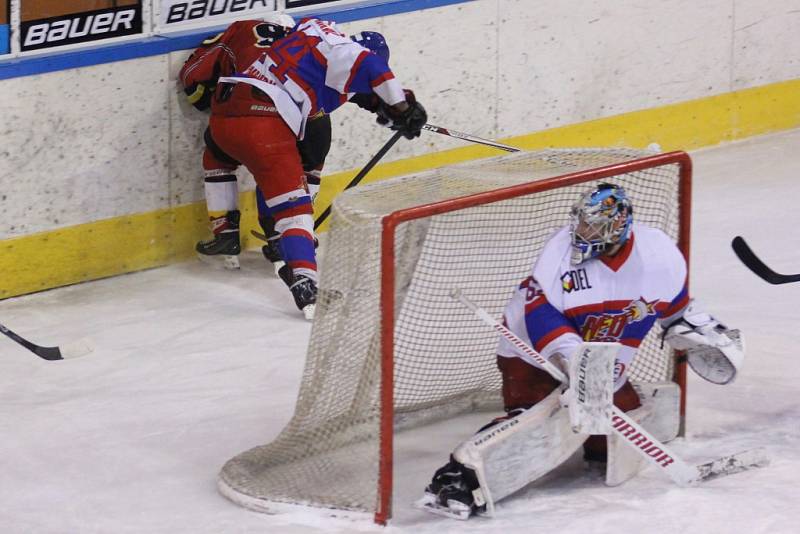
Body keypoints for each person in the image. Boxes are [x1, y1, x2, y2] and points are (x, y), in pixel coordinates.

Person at [420, 183, 745, 518]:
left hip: (601, 358)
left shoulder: (658, 253)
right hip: (533, 352)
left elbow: (674, 307)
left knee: (607, 444)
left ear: (618, 227)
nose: (581, 231)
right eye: (581, 222)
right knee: (536, 422)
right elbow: (540, 315)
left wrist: (699, 331)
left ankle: (582, 427)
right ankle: (457, 480)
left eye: (594, 226)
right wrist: (575, 358)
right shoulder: (559, 253)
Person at [179, 16, 427, 319]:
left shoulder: (314, 31)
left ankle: (226, 230)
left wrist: (389, 106)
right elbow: (373, 72)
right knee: (292, 205)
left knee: (221, 158)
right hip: (269, 119)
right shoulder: (349, 55)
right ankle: (304, 281)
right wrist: (403, 108)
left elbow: (351, 86)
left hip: (227, 105)